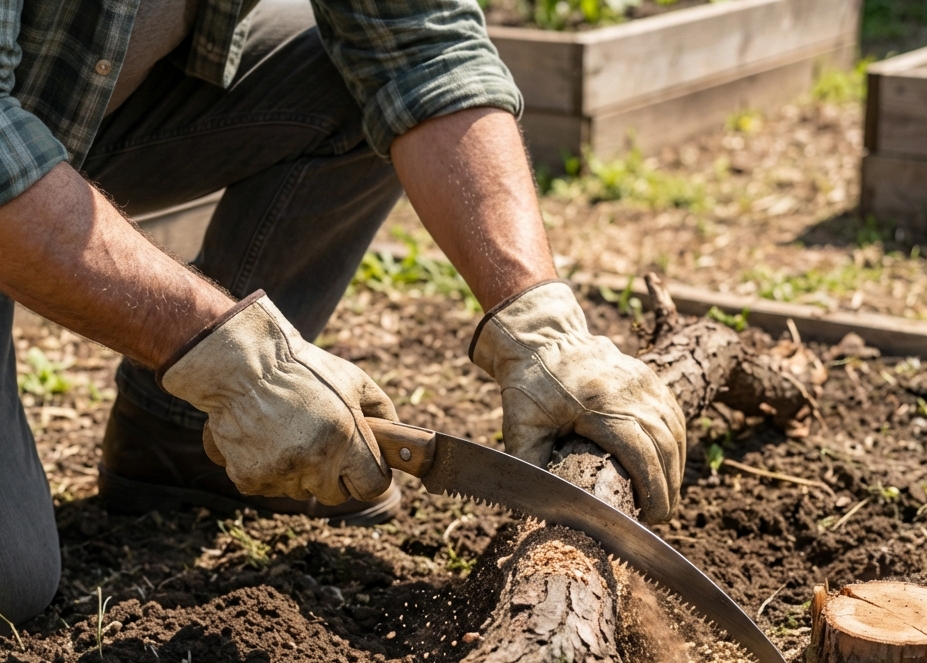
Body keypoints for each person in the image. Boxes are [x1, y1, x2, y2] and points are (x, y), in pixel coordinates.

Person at [0, 0, 687, 627]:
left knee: (344, 78)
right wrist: (231, 361)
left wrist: (539, 321)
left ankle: (183, 442)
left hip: (71, 111)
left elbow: (420, 43)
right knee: (12, 580)